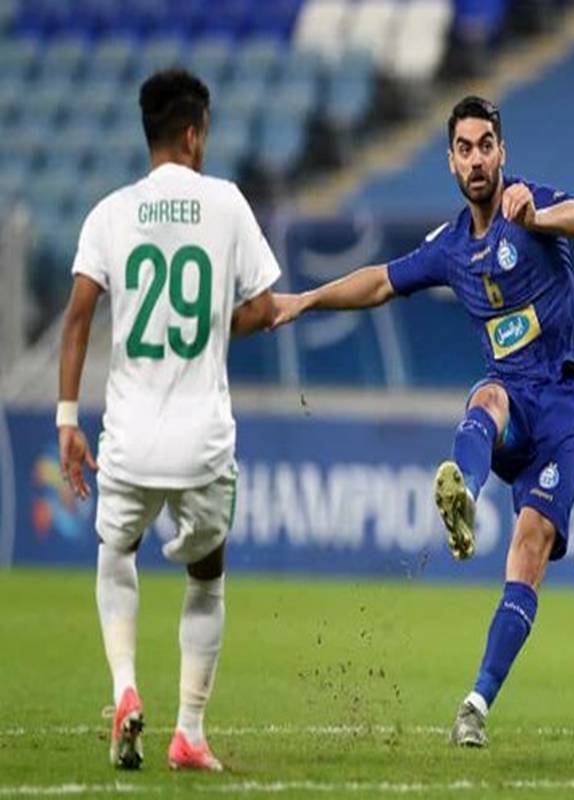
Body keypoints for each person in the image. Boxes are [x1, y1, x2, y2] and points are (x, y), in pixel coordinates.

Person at [271, 96, 574, 748]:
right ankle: (465, 496)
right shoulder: (451, 247)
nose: (477, 159)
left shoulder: (528, 203)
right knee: (487, 397)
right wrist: (305, 300)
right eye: (464, 148)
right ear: (450, 161)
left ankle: (476, 703)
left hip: (565, 406)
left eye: (486, 146)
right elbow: (379, 281)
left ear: (502, 153)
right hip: (514, 401)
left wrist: (538, 217)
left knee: (530, 545)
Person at [57, 69, 280, 770]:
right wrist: (216, 328)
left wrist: (67, 421)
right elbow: (263, 307)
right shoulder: (226, 202)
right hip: (202, 441)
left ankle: (124, 687)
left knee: (114, 553)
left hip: (127, 437)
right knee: (207, 577)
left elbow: (77, 319)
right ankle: (189, 731)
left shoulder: (110, 213)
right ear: (192, 134)